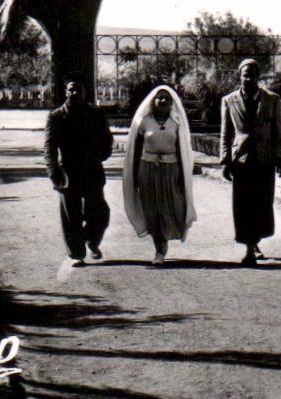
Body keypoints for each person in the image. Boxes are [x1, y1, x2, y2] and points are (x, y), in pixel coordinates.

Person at [218, 58, 281, 266]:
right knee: (243, 206)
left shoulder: (272, 100)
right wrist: (224, 160)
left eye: (252, 74)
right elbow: (226, 132)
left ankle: (255, 241)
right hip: (241, 160)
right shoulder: (229, 101)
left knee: (262, 204)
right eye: (244, 74)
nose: (248, 78)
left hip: (264, 160)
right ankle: (249, 248)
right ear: (239, 76)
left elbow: (278, 131)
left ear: (259, 77)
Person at [122, 85, 197, 265]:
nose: (163, 101)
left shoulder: (176, 123)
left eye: (167, 98)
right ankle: (159, 249)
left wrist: (181, 174)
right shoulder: (144, 122)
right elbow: (135, 149)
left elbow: (182, 151)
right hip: (147, 169)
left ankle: (165, 241)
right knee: (152, 209)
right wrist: (134, 175)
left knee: (172, 207)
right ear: (153, 101)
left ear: (172, 103)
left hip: (171, 170)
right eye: (159, 98)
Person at [43, 78, 114, 266]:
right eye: (71, 90)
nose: (75, 93)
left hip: (92, 171)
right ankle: (76, 254)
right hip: (68, 172)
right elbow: (49, 148)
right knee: (71, 216)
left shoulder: (97, 114)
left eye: (78, 90)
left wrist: (101, 156)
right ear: (66, 92)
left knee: (100, 213)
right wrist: (53, 172)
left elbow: (107, 140)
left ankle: (90, 240)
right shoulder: (56, 116)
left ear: (85, 92)